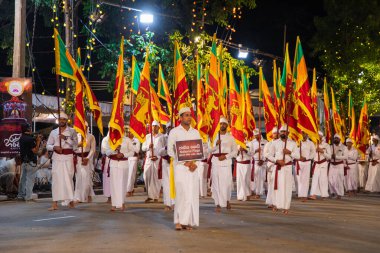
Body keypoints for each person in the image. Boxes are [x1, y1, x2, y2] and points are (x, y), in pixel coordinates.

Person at [167, 107, 202, 230]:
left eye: (190, 115)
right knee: (181, 193)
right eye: (186, 115)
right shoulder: (174, 132)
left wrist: (195, 163)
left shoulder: (195, 132)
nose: (189, 117)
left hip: (193, 168)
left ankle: (187, 221)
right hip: (180, 167)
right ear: (180, 118)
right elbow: (170, 151)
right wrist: (184, 161)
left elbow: (199, 150)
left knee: (191, 194)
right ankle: (178, 221)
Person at [46, 112, 78, 210]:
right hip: (57, 158)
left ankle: (71, 200)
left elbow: (76, 146)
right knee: (56, 180)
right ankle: (54, 203)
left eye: (64, 119)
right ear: (58, 120)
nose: (62, 121)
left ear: (66, 120)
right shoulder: (54, 132)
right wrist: (54, 147)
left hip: (68, 157)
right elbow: (48, 145)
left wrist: (66, 139)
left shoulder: (72, 131)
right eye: (60, 119)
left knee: (68, 179)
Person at [268, 124, 300, 214]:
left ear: (288, 133)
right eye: (281, 131)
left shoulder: (293, 143)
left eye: (285, 131)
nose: (283, 133)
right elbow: (268, 155)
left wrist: (289, 152)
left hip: (287, 167)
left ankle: (286, 207)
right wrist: (276, 160)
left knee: (287, 187)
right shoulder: (274, 143)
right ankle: (275, 205)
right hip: (277, 167)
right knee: (276, 187)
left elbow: (297, 156)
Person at [209, 117, 238, 212]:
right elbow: (208, 150)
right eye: (221, 124)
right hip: (216, 162)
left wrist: (226, 157)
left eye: (224, 124)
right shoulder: (213, 137)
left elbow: (235, 152)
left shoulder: (231, 138)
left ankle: (227, 200)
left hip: (226, 162)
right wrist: (216, 146)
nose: (222, 125)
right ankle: (217, 203)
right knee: (216, 184)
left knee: (227, 183)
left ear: (227, 125)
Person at [105, 133, 135, 211]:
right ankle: (114, 204)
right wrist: (113, 149)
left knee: (122, 184)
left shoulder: (127, 140)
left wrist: (123, 154)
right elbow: (106, 152)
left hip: (123, 164)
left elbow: (132, 152)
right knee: (114, 184)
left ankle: (122, 203)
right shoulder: (110, 140)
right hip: (113, 163)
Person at [141, 120, 166, 202]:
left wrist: (158, 156)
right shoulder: (148, 136)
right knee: (146, 175)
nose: (154, 127)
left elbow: (165, 148)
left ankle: (155, 196)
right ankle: (149, 194)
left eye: (155, 126)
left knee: (156, 178)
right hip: (149, 159)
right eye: (152, 126)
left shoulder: (162, 137)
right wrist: (148, 146)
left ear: (159, 127)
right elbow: (143, 148)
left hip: (157, 159)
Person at [17, 123, 42, 202]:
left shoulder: (22, 138)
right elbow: (35, 150)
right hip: (31, 162)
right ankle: (28, 197)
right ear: (28, 129)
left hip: (24, 161)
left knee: (23, 179)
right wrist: (38, 142)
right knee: (30, 180)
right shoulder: (30, 139)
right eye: (30, 128)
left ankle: (20, 195)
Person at [74, 122, 96, 203]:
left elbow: (93, 149)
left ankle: (87, 194)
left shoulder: (91, 137)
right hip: (78, 159)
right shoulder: (76, 136)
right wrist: (78, 145)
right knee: (79, 178)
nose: (84, 128)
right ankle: (79, 197)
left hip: (87, 159)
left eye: (86, 126)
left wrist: (87, 158)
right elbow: (73, 148)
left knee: (87, 178)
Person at [309, 131, 331, 200]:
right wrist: (314, 151)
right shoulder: (313, 144)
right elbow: (311, 156)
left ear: (322, 136)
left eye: (319, 136)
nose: (318, 137)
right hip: (315, 163)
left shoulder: (326, 145)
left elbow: (329, 156)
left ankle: (324, 194)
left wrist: (323, 151)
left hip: (323, 164)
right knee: (314, 179)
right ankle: (313, 194)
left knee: (323, 179)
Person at [158, 124, 175, 211]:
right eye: (169, 128)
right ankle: (167, 204)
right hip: (165, 162)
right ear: (166, 129)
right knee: (166, 184)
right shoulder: (162, 138)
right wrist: (166, 148)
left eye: (172, 128)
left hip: (175, 163)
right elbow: (159, 152)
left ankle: (174, 203)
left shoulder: (177, 137)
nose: (170, 129)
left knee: (175, 183)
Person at [295, 131, 316, 202]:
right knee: (299, 179)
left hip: (307, 162)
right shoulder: (297, 142)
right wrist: (298, 157)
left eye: (306, 133)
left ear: (307, 134)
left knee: (305, 179)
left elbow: (313, 153)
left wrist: (307, 158)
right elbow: (294, 152)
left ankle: (304, 195)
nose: (304, 135)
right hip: (299, 162)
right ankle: (300, 194)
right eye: (303, 133)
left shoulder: (311, 143)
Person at [250, 129, 268, 199]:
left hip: (264, 162)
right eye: (255, 135)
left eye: (257, 135)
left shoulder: (266, 142)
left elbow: (267, 152)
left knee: (264, 178)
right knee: (257, 178)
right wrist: (256, 151)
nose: (256, 137)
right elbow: (250, 153)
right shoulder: (252, 142)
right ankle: (258, 192)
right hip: (256, 162)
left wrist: (263, 160)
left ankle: (266, 191)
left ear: (260, 134)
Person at [329, 134, 347, 199]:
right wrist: (329, 156)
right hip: (332, 164)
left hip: (339, 165)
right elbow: (328, 155)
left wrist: (336, 157)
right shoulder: (331, 147)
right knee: (330, 179)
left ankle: (339, 194)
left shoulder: (344, 147)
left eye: (337, 138)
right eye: (335, 138)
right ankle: (332, 192)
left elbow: (345, 156)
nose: (336, 139)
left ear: (339, 139)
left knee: (339, 180)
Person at [264, 127, 279, 208]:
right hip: (271, 166)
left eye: (277, 133)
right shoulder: (268, 144)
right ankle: (271, 202)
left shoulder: (282, 143)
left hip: (279, 167)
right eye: (274, 133)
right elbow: (265, 154)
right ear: (272, 134)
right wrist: (273, 158)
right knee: (270, 185)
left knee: (278, 185)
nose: (276, 134)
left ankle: (277, 202)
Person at [235, 134, 253, 201]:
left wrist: (245, 150)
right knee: (239, 180)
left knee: (246, 179)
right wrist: (238, 151)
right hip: (239, 163)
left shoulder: (250, 143)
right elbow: (234, 155)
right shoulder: (236, 143)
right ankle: (240, 195)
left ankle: (247, 194)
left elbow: (252, 153)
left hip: (246, 164)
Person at [126, 130, 140, 197]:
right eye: (128, 132)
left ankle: (129, 190)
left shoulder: (136, 140)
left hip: (133, 158)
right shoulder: (125, 140)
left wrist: (131, 145)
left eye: (130, 132)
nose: (129, 133)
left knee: (131, 175)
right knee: (127, 175)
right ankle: (129, 189)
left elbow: (137, 150)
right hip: (126, 158)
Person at [101, 131, 111, 203]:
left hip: (117, 160)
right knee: (107, 179)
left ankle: (116, 197)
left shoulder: (119, 139)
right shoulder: (105, 140)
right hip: (108, 160)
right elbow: (103, 151)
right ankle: (109, 197)